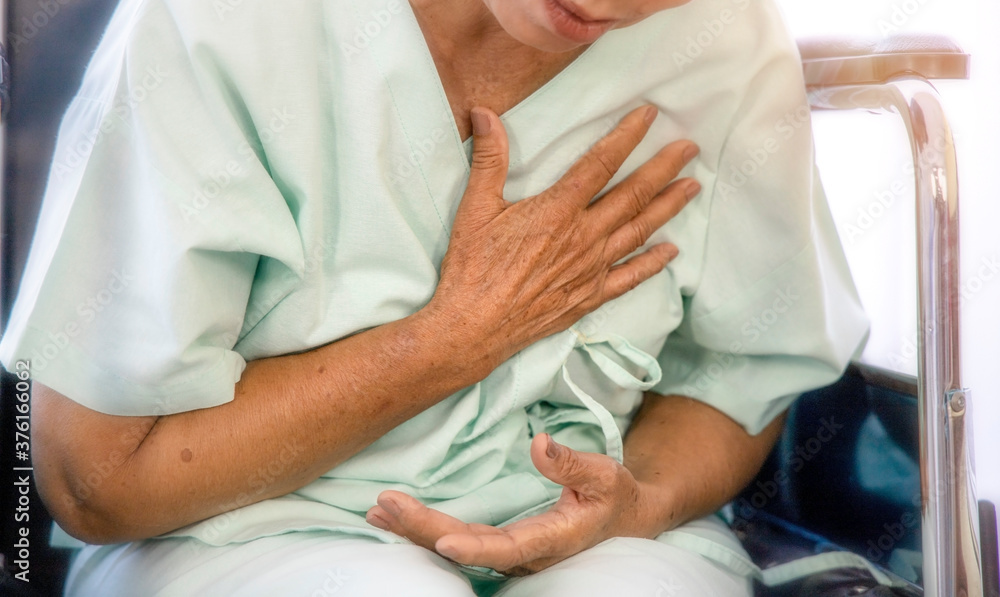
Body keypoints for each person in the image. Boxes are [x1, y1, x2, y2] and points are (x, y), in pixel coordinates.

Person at [0, 0, 869, 594]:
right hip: (240, 534)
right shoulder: (225, 27)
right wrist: (450, 340)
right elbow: (96, 481)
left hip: (597, 541)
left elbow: (735, 376)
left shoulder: (724, 41)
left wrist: (641, 497)